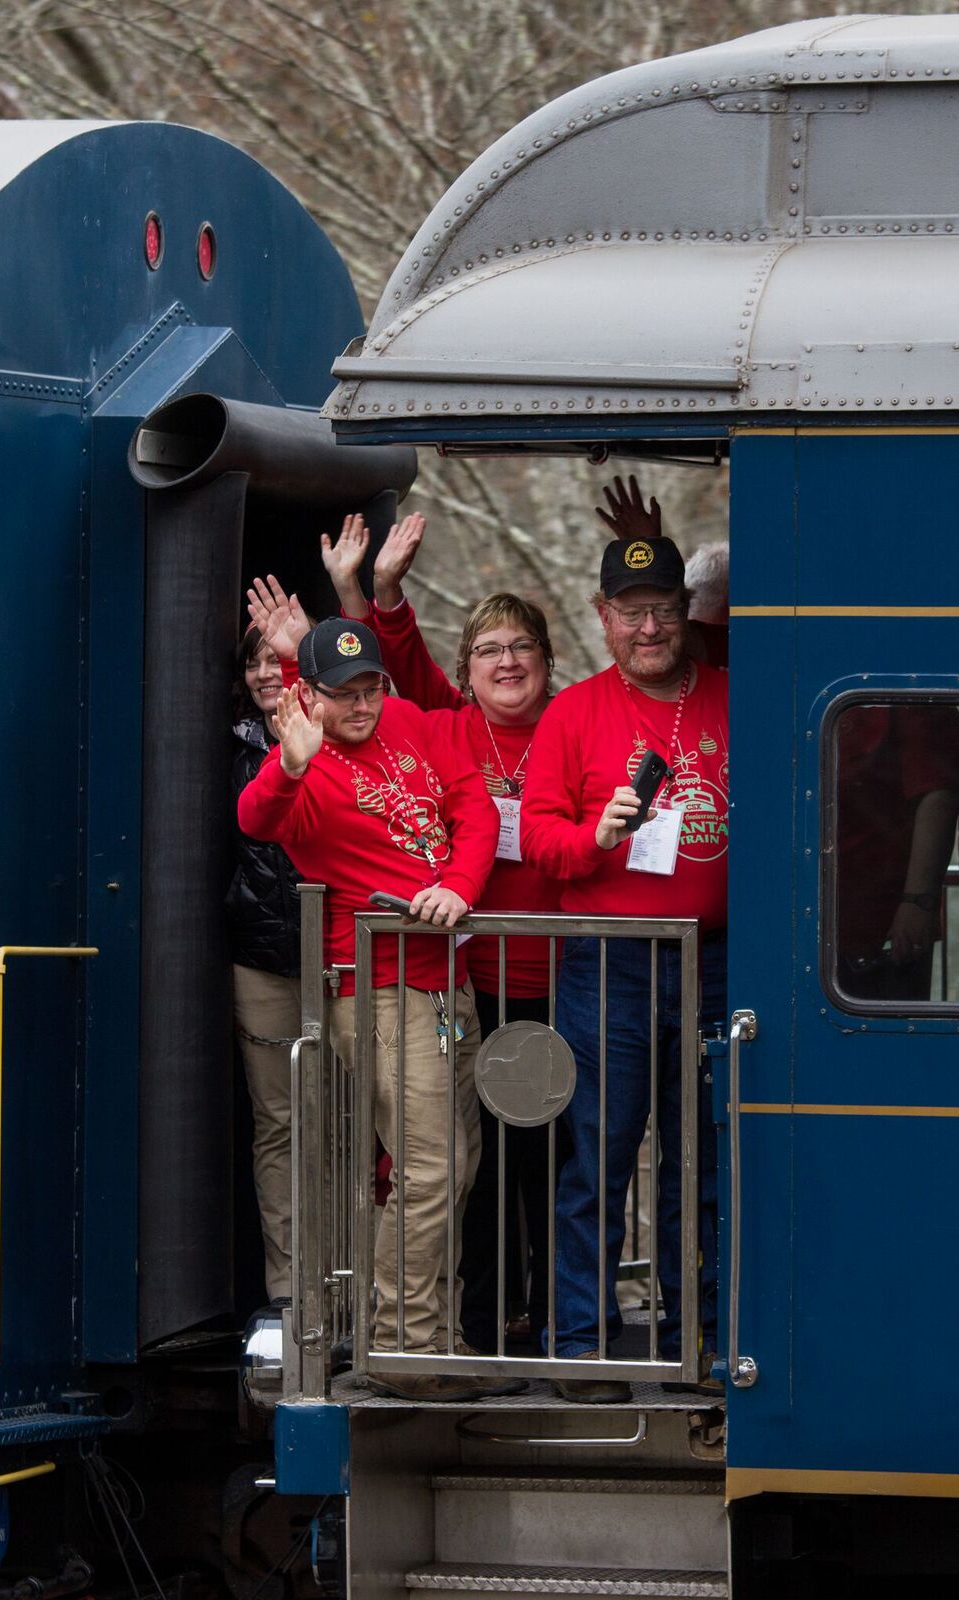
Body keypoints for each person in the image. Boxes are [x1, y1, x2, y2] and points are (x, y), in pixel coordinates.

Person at [237, 606, 512, 1402]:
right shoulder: (307, 761)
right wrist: (289, 764)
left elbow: (476, 808)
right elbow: (258, 817)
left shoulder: (408, 721)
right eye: (344, 693)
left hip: (446, 979)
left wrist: (457, 886)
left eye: (371, 688)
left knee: (454, 1165)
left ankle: (436, 1335)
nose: (362, 707)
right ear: (310, 694)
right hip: (378, 988)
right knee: (431, 1168)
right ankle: (401, 1345)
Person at [312, 512, 563, 1357]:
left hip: (568, 973)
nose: (507, 660)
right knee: (459, 1167)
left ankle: (538, 1324)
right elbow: (377, 668)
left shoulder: (571, 726)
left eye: (522, 645)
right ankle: (451, 1330)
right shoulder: (443, 724)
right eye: (489, 648)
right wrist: (366, 592)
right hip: (458, 976)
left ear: (548, 659)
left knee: (533, 1164)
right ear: (464, 668)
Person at [521, 526, 729, 1402]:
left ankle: (701, 1341)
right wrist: (594, 838)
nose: (650, 628)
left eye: (665, 609)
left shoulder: (732, 696)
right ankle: (582, 1344)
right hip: (608, 964)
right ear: (603, 618)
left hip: (719, 961)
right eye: (631, 612)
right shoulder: (574, 713)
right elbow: (535, 841)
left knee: (706, 1159)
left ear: (688, 613)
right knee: (599, 1156)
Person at [226, 626, 302, 1305]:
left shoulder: (342, 730)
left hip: (342, 955)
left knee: (346, 1125)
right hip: (260, 960)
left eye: (275, 657)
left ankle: (354, 1293)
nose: (265, 672)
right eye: (253, 661)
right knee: (277, 1125)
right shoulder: (234, 748)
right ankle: (291, 1293)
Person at [835, 703, 959, 1003]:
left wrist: (918, 901)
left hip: (879, 921)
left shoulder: (911, 699)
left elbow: (940, 795)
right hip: (819, 913)